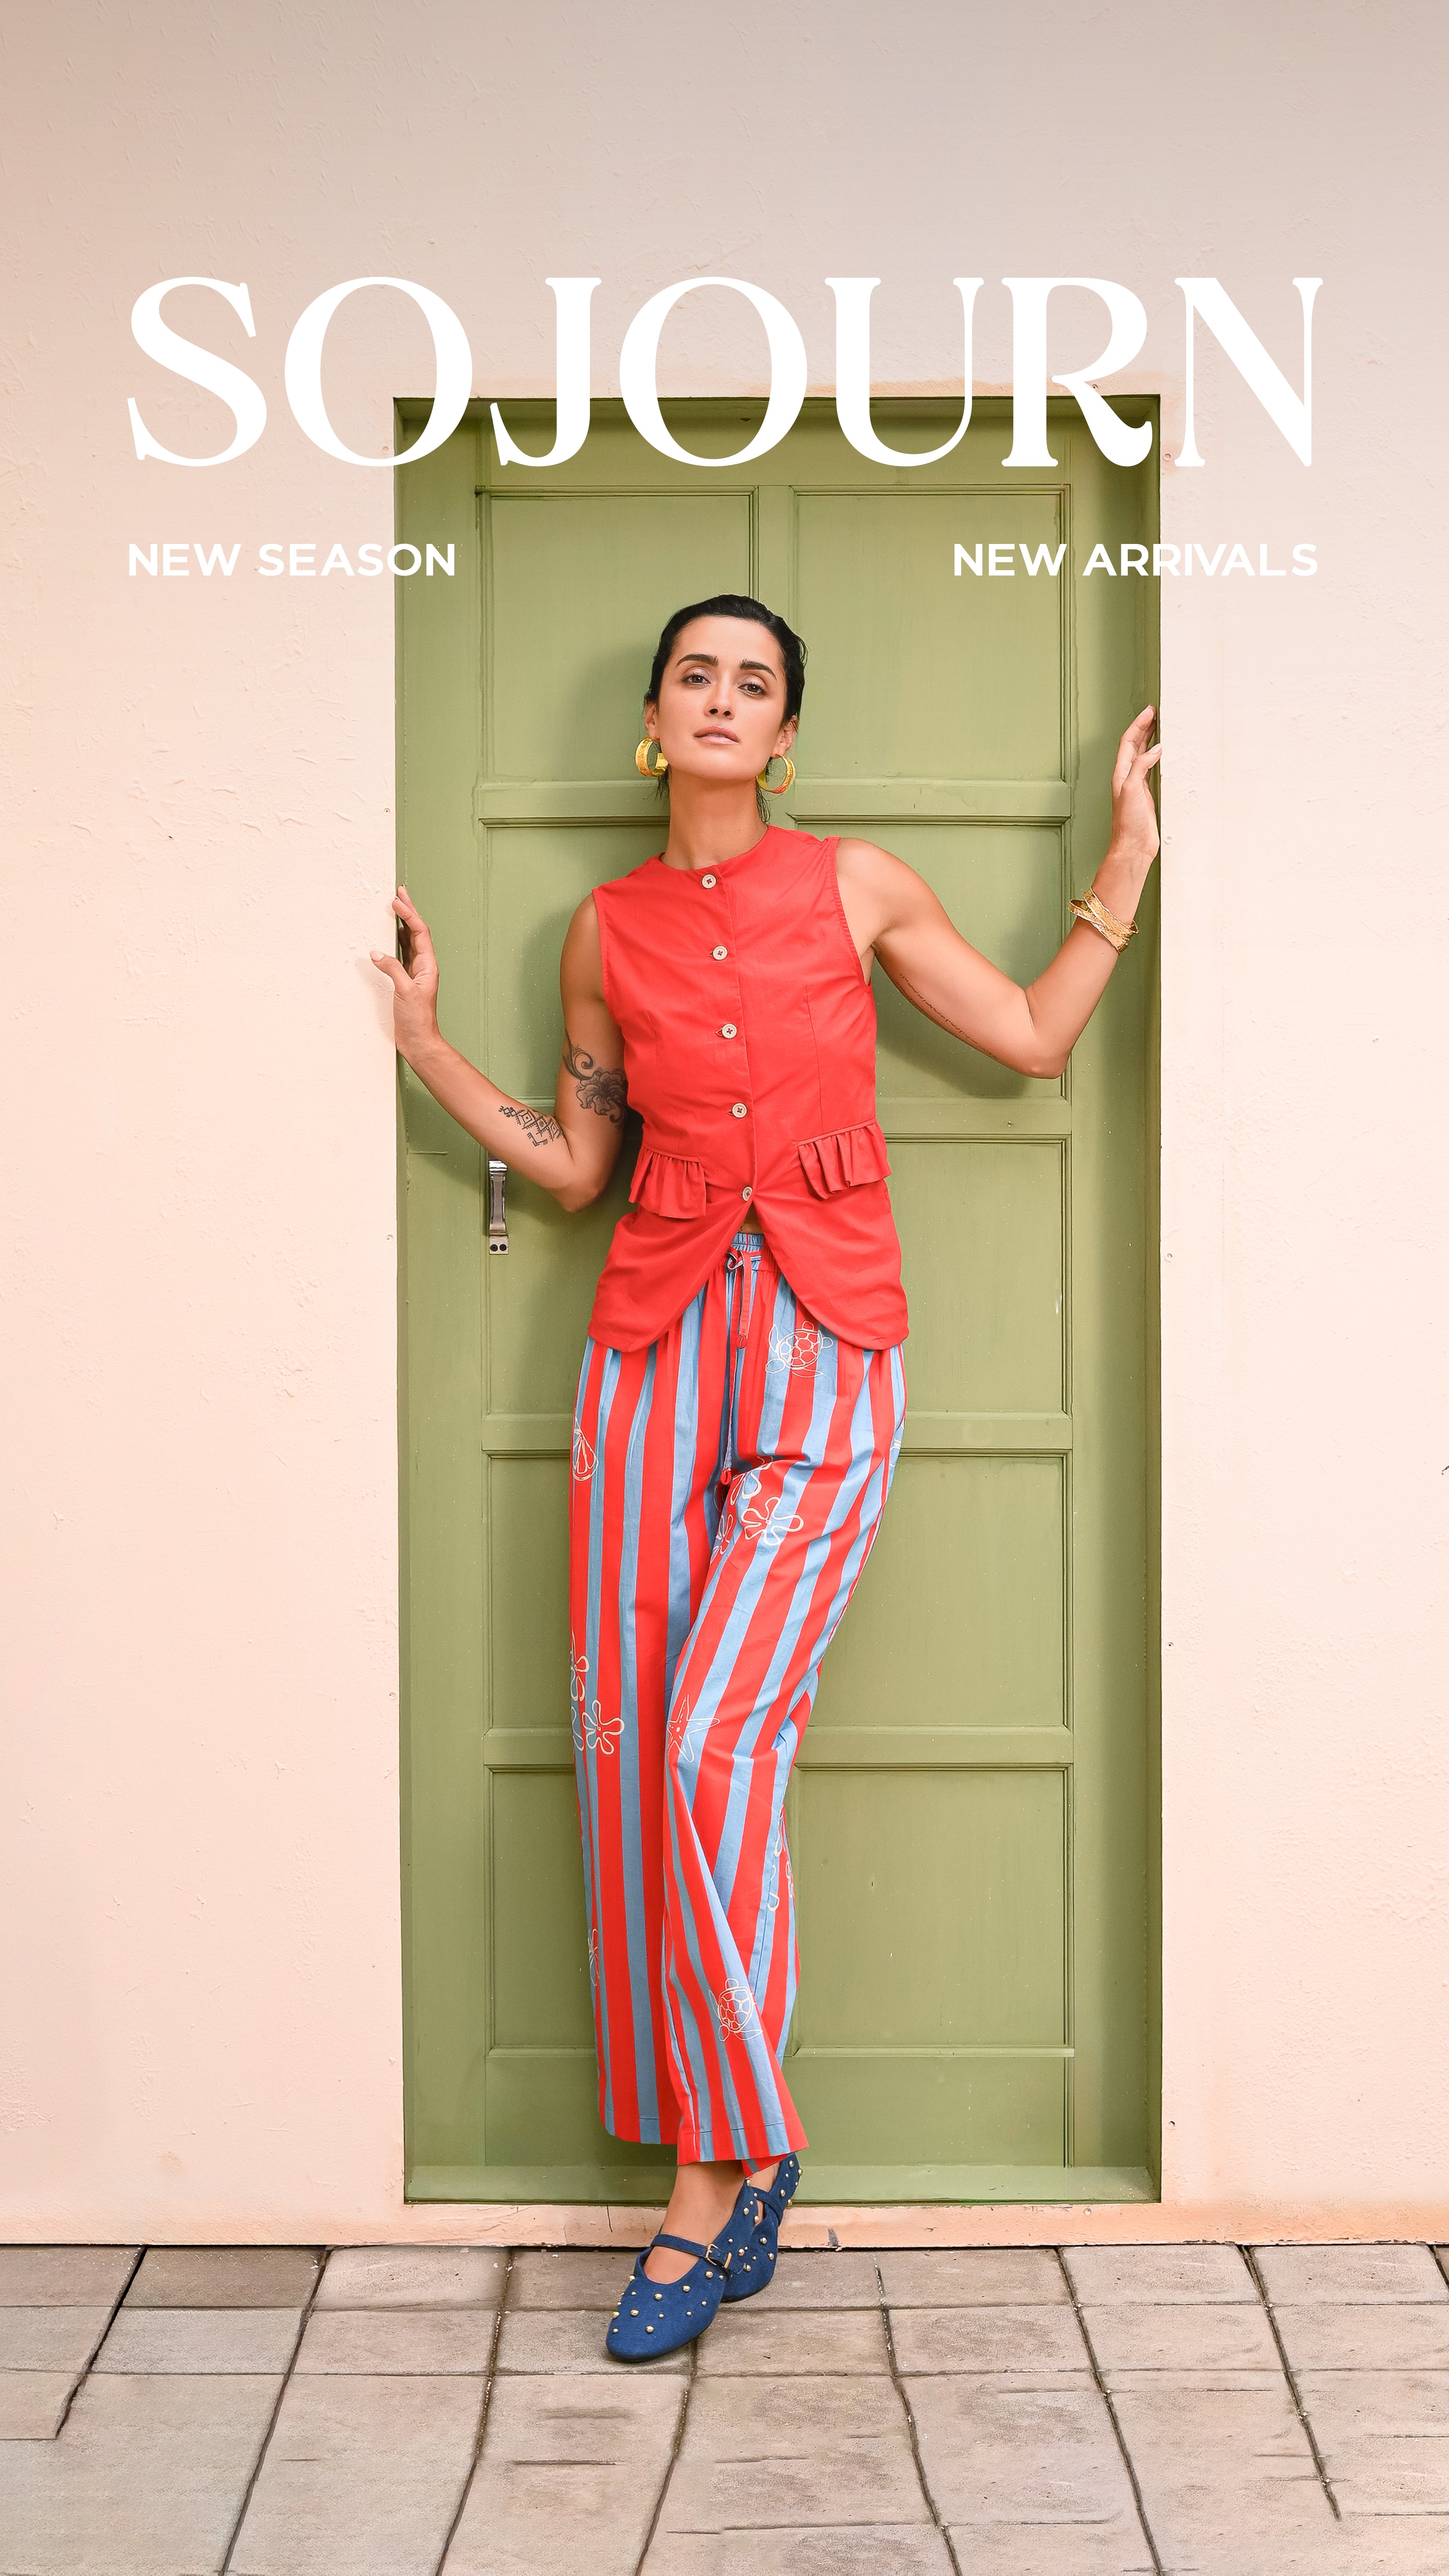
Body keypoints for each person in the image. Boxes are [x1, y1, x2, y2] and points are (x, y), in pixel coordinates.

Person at [371, 592, 1161, 2358]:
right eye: (696, 677)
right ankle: (744, 2146)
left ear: (786, 734)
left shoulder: (855, 884)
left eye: (756, 684)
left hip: (829, 1341)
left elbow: (1033, 1035)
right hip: (651, 1351)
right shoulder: (604, 931)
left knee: (711, 1740)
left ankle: (710, 2178)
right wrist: (425, 1043)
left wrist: (1124, 860)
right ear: (654, 718)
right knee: (632, 1753)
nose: (722, 701)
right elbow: (577, 1162)